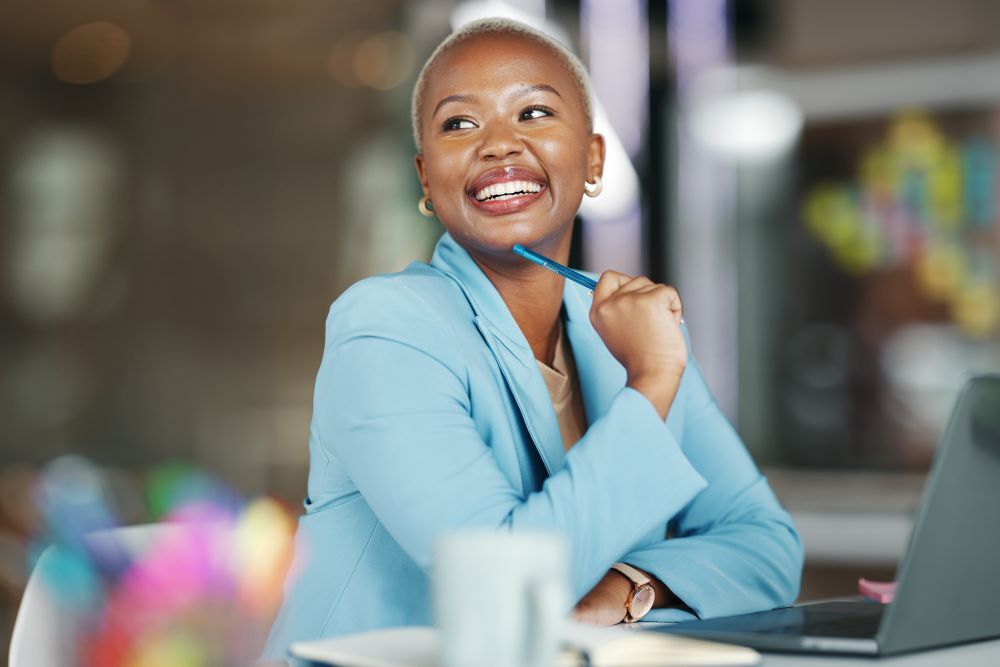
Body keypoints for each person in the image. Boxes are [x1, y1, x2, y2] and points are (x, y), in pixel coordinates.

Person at [261, 17, 802, 661]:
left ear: (594, 159)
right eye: (459, 124)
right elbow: (505, 588)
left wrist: (627, 587)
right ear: (426, 179)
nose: (498, 144)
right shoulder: (386, 329)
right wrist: (653, 380)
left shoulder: (630, 332)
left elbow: (767, 546)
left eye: (534, 112)